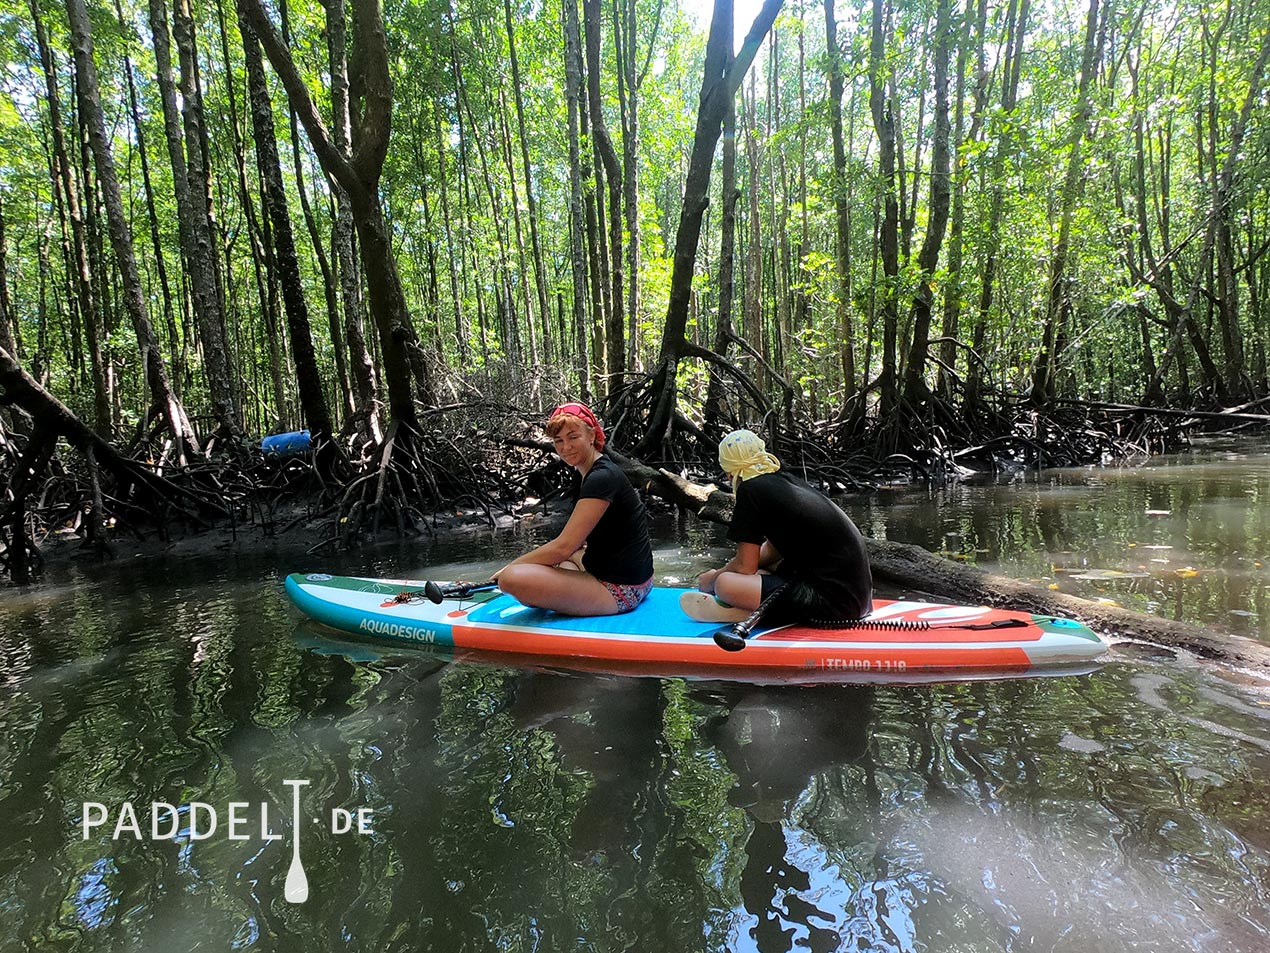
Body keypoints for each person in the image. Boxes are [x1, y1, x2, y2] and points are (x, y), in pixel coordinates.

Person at [688, 429, 872, 624]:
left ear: (729, 473)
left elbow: (745, 567)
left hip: (836, 605)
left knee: (725, 584)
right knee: (762, 571)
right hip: (857, 598)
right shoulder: (784, 480)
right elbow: (773, 552)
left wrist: (713, 578)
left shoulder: (750, 490)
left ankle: (739, 615)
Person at [493, 402, 654, 615]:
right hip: (637, 579)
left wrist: (508, 568)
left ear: (592, 435)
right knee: (564, 561)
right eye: (558, 440)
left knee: (511, 578)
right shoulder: (585, 473)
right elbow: (574, 547)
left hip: (622, 591)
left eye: (573, 437)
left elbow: (563, 547)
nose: (565, 447)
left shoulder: (601, 477)